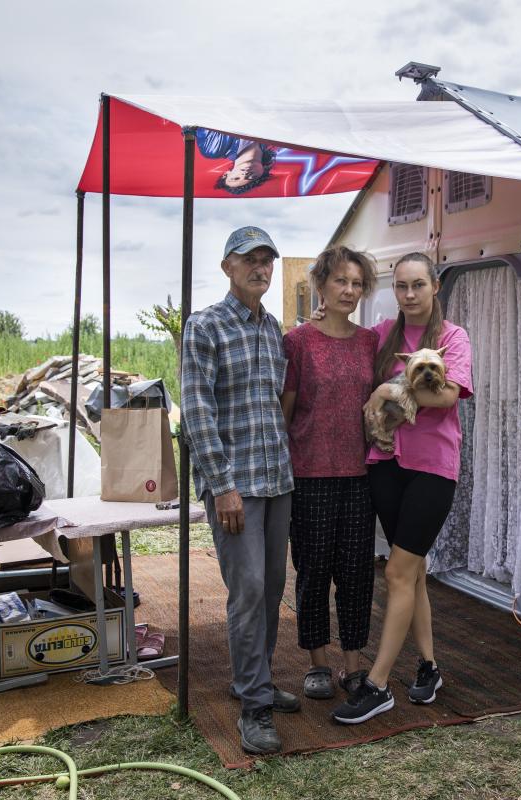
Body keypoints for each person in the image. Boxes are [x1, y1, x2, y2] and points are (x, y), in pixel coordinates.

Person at [331, 251, 472, 725]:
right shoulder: (381, 336)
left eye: (418, 285)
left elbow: (447, 394)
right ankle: (429, 667)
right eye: (401, 287)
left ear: (436, 286)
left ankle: (377, 685)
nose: (409, 295)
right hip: (385, 464)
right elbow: (343, 341)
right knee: (411, 572)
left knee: (396, 573)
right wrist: (324, 314)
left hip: (433, 468)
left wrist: (386, 391)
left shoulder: (453, 338)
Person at [180, 225, 298, 755]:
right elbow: (197, 413)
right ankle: (254, 706)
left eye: (267, 260)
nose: (261, 267)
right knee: (248, 587)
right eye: (249, 259)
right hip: (236, 485)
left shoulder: (274, 331)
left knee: (273, 587)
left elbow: (275, 407)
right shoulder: (204, 327)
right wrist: (222, 485)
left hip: (278, 481)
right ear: (227, 266)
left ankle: (257, 678)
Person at [280, 246, 379, 701]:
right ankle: (318, 663)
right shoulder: (297, 342)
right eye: (340, 281)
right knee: (313, 571)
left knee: (356, 573)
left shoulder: (370, 342)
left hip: (360, 476)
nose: (349, 290)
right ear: (320, 284)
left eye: (357, 283)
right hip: (310, 475)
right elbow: (286, 409)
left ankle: (353, 665)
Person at [195, 129, 276, 195]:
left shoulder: (213, 150)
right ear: (263, 172)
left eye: (235, 178)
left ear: (226, 174)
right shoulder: (273, 141)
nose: (244, 174)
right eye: (252, 177)